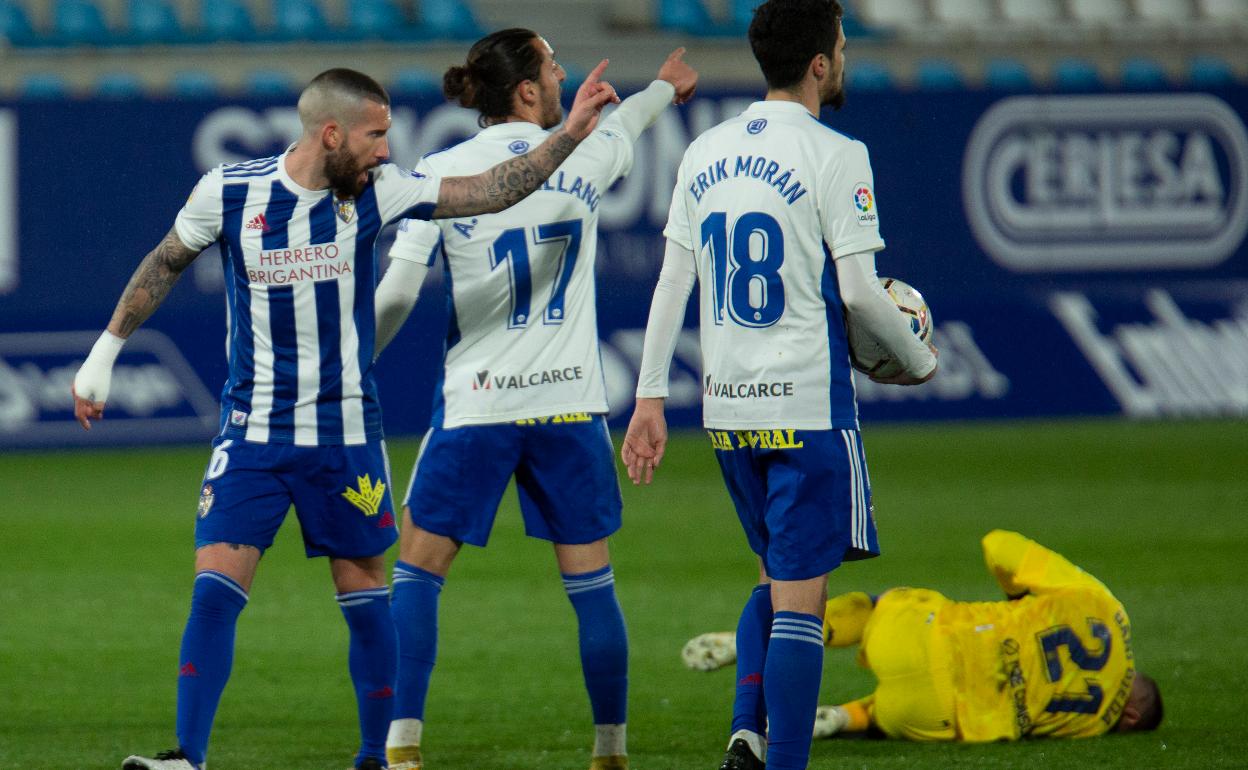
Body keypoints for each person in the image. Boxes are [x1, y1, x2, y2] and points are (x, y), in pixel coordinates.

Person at [70, 65, 619, 770]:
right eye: (376, 135)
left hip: (346, 438)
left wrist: (568, 135)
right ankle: (188, 757)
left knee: (363, 599)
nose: (387, 151)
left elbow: (490, 190)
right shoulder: (231, 191)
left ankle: (374, 757)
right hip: (254, 434)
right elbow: (165, 260)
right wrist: (105, 351)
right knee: (215, 589)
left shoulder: (380, 193)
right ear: (331, 133)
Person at [619, 1, 937, 768]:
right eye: (842, 45)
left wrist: (649, 397)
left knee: (773, 577)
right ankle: (782, 757)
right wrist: (920, 361)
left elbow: (673, 280)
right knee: (803, 597)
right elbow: (861, 294)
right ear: (820, 64)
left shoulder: (704, 150)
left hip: (729, 408)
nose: (846, 55)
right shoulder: (837, 152)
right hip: (806, 403)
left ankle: (748, 735)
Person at [375, 30, 697, 770]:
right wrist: (664, 86)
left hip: (477, 407)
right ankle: (610, 750)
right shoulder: (582, 157)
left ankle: (402, 745)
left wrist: (359, 363)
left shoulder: (444, 170)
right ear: (526, 92)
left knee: (419, 573)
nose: (562, 76)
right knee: (591, 585)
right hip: (569, 406)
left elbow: (395, 291)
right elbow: (628, 125)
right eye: (553, 68)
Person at [681, 530, 1164, 743]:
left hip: (924, 636)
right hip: (934, 719)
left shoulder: (1103, 606)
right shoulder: (1096, 721)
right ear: (1132, 714)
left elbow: (999, 544)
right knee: (891, 711)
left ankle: (793, 632)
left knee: (881, 605)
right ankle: (846, 718)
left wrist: (1020, 599)